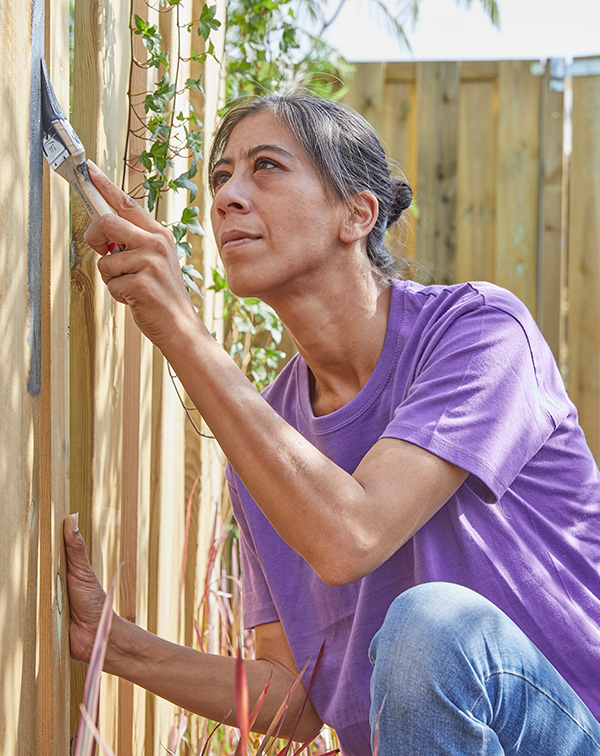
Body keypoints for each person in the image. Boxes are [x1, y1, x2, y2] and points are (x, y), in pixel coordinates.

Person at [64, 92, 600, 756]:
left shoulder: (480, 332)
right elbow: (294, 699)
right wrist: (113, 643)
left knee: (429, 625)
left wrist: (179, 328)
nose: (229, 195)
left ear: (356, 213)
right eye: (221, 176)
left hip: (569, 731)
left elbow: (354, 532)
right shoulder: (269, 443)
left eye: (265, 167)